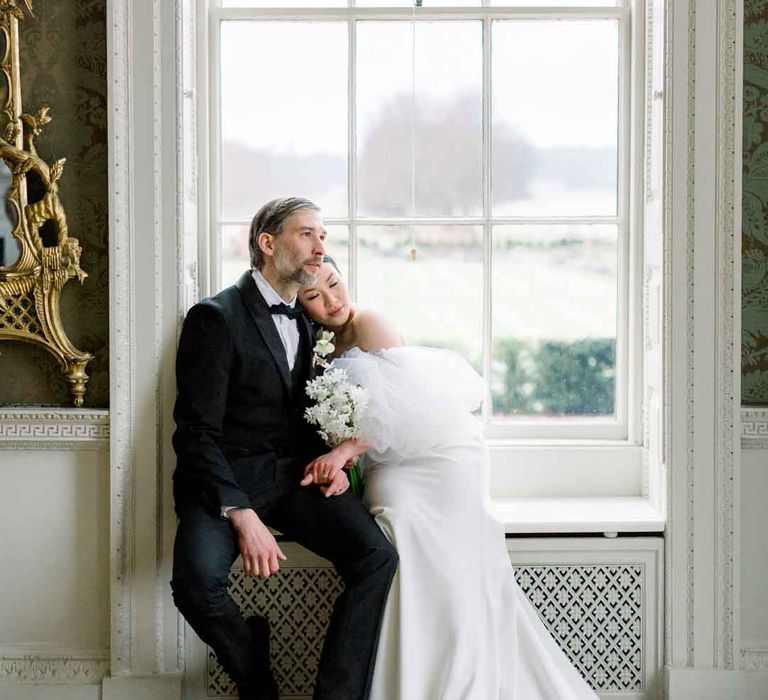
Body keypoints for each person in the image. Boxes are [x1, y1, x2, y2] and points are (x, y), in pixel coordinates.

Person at [298, 258, 602, 700]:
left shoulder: (370, 322)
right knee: (392, 526)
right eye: (314, 297)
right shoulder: (319, 342)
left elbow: (406, 410)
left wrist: (345, 450)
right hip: (388, 461)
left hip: (438, 456)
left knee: (405, 521)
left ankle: (457, 677)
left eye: (334, 284)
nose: (332, 300)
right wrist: (340, 461)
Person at [170, 198, 398, 700]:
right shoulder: (214, 318)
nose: (321, 248)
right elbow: (194, 433)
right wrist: (241, 514)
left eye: (323, 236)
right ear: (268, 244)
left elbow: (308, 409)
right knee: (195, 585)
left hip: (295, 478)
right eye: (308, 235)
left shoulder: (311, 319)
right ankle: (257, 680)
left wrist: (336, 463)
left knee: (375, 557)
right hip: (224, 481)